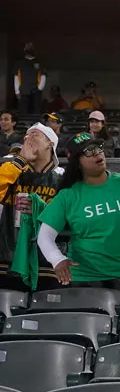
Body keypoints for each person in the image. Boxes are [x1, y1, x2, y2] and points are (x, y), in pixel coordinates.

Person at [37, 133, 120, 290]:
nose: (98, 153)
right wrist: (57, 259)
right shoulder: (68, 195)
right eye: (89, 151)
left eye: (98, 148)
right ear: (77, 162)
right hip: (84, 279)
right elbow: (44, 236)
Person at [0, 123, 64, 290]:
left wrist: (41, 210)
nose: (28, 139)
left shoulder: (63, 178)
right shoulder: (13, 171)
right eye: (26, 136)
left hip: (47, 262)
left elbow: (72, 220)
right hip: (9, 257)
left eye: (35, 134)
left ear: (51, 143)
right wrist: (20, 160)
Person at [14, 43, 46, 115]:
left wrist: (39, 88)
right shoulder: (19, 63)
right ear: (24, 50)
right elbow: (16, 77)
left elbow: (43, 76)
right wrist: (17, 91)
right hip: (23, 90)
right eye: (27, 48)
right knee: (23, 112)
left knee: (36, 111)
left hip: (35, 90)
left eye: (31, 48)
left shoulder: (39, 62)